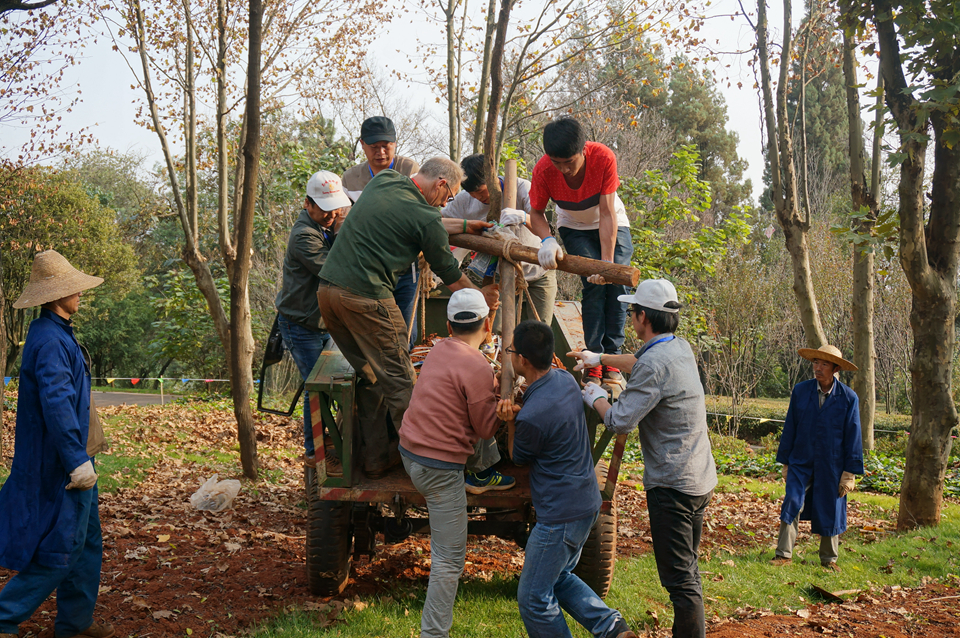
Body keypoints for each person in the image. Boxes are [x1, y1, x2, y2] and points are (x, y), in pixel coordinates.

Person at [317, 157, 499, 477]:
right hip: (367, 298)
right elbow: (449, 272)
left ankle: (375, 458)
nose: (446, 204)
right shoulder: (426, 216)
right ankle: (428, 468)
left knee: (371, 378)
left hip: (329, 294)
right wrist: (479, 297)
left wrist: (468, 226)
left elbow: (423, 221)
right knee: (402, 382)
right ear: (441, 184)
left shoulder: (385, 181)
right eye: (449, 196)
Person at [575, 279, 716, 638]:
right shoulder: (679, 348)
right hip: (700, 478)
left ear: (642, 318)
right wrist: (600, 358)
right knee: (688, 571)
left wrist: (594, 396)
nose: (630, 319)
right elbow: (640, 359)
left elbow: (620, 419)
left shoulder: (654, 366)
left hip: (674, 486)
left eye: (632, 312)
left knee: (679, 581)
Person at [496, 320, 637, 638]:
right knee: (557, 576)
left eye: (512, 352)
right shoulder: (563, 379)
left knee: (533, 598)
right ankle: (611, 628)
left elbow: (518, 456)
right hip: (586, 502)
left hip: (559, 516)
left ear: (523, 361)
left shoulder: (531, 418)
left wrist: (510, 420)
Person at [0, 250, 114, 638]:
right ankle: (3, 617)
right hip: (63, 464)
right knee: (61, 548)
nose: (79, 292)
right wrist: (76, 462)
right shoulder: (50, 340)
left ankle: (75, 623)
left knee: (86, 543)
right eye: (71, 288)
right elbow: (57, 405)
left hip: (75, 459)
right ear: (53, 296)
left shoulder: (56, 331)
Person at [398, 289, 515, 638]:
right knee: (448, 561)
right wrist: (502, 408)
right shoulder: (478, 365)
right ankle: (434, 634)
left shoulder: (437, 351)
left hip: (409, 455)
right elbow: (483, 428)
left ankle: (477, 475)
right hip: (439, 470)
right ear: (488, 324)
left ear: (448, 326)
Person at [528, 117, 634, 386]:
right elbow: (537, 213)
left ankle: (612, 359)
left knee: (617, 287)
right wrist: (547, 240)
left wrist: (607, 265)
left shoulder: (603, 158)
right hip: (573, 225)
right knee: (593, 287)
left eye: (569, 162)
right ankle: (593, 359)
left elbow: (608, 212)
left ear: (584, 150)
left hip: (610, 220)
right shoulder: (543, 170)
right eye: (557, 163)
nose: (563, 170)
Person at [274, 170, 351, 469]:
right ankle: (313, 451)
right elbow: (334, 271)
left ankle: (328, 437)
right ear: (308, 204)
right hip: (300, 326)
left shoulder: (325, 225)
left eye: (336, 208)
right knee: (316, 388)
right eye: (324, 208)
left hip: (322, 323)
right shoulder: (304, 235)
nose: (331, 214)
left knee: (330, 384)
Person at [771, 344, 864, 572]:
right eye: (815, 362)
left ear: (835, 368)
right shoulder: (801, 391)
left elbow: (854, 436)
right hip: (800, 460)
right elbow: (790, 427)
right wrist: (786, 462)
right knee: (792, 500)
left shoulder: (848, 398)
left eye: (824, 364)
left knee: (831, 507)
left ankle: (829, 560)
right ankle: (783, 554)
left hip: (832, 464)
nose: (818, 368)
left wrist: (849, 474)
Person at [442, 153, 558, 327]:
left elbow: (543, 229)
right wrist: (468, 226)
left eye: (481, 191)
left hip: (539, 270)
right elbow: (440, 222)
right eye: (473, 194)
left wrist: (523, 217)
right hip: (498, 275)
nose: (479, 198)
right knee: (496, 328)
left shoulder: (522, 188)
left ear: (493, 177)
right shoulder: (464, 201)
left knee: (540, 328)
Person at [341, 116, 422, 343]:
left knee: (406, 333)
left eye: (386, 146)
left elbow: (415, 215)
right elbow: (344, 224)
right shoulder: (350, 178)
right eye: (374, 147)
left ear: (395, 144)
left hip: (405, 268)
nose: (381, 153)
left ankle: (402, 375)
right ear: (362, 145)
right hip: (368, 270)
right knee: (373, 331)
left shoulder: (409, 169)